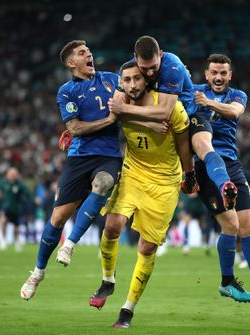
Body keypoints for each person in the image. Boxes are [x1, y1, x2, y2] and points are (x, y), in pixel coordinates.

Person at [89, 61, 196, 328]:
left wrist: (189, 174)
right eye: (127, 80)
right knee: (112, 225)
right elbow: (112, 115)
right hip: (134, 172)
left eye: (137, 79)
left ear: (146, 80)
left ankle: (127, 310)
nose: (133, 84)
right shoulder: (118, 101)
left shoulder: (170, 106)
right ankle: (107, 281)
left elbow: (184, 142)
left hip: (164, 182)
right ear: (120, 83)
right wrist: (146, 119)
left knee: (147, 247)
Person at [20, 40, 123, 300]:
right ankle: (38, 272)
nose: (88, 54)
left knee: (102, 184)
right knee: (56, 219)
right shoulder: (66, 91)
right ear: (71, 63)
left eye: (88, 51)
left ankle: (70, 244)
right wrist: (110, 120)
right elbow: (75, 128)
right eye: (81, 53)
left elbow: (137, 85)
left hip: (109, 156)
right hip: (79, 158)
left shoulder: (112, 80)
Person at [109, 35, 238, 211]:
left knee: (204, 146)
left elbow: (164, 112)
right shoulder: (129, 70)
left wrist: (124, 109)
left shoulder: (173, 66)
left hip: (188, 114)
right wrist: (145, 122)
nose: (149, 73)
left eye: (154, 67)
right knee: (230, 225)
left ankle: (224, 184)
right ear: (135, 57)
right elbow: (115, 109)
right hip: (155, 123)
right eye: (144, 68)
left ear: (160, 54)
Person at [192, 54, 250, 303]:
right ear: (207, 74)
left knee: (247, 225)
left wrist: (207, 103)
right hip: (205, 164)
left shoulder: (237, 96)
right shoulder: (193, 91)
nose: (218, 77)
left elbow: (234, 112)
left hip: (232, 163)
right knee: (230, 224)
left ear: (230, 75)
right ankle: (227, 282)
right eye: (214, 73)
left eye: (223, 73)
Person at [0, 167, 32, 251]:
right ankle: (3, 240)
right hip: (5, 207)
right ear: (7, 174)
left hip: (16, 208)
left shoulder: (20, 184)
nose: (12, 176)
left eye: (14, 174)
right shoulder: (3, 183)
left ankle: (16, 240)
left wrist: (30, 199)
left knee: (16, 226)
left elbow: (27, 193)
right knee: (3, 220)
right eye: (11, 174)